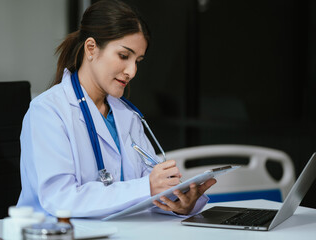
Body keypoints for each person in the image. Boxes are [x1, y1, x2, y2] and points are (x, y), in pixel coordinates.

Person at [17, 0, 216, 218]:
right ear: (91, 48)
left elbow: (149, 187)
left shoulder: (127, 115)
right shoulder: (48, 111)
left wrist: (179, 202)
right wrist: (147, 187)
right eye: (124, 56)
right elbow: (60, 198)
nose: (132, 71)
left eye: (137, 60)